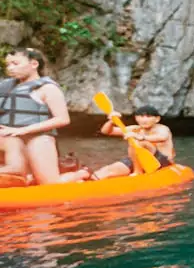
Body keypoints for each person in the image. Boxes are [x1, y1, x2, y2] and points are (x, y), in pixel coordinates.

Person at [0, 48, 89, 184]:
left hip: (38, 137)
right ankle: (25, 177)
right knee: (14, 157)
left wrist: (22, 130)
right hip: (10, 138)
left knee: (50, 184)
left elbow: (63, 119)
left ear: (34, 64)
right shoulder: (5, 87)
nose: (10, 68)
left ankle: (80, 174)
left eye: (15, 63)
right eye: (8, 65)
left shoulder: (48, 88)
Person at [90, 106, 174, 180]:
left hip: (160, 161)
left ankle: (138, 172)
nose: (144, 119)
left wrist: (141, 137)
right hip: (137, 159)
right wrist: (111, 122)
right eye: (141, 116)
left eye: (148, 116)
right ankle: (88, 182)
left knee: (139, 143)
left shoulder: (162, 128)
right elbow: (107, 131)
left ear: (157, 119)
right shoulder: (135, 129)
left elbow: (162, 137)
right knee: (107, 170)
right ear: (136, 118)